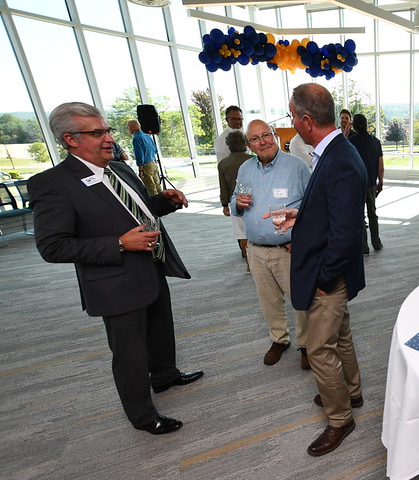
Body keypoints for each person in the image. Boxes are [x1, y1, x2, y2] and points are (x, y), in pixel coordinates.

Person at [28, 102, 203, 435]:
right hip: (114, 281)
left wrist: (165, 201)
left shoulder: (119, 169)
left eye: (107, 130)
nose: (109, 138)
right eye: (97, 133)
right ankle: (142, 415)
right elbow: (52, 247)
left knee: (160, 328)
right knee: (130, 352)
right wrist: (120, 244)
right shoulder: (52, 184)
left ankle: (165, 375)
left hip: (150, 266)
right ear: (70, 139)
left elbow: (139, 211)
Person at [268, 83, 367, 456]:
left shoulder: (339, 158)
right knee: (341, 337)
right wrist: (301, 214)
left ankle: (340, 418)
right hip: (334, 272)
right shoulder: (335, 150)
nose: (291, 122)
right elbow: (331, 210)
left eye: (292, 115)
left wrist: (324, 282)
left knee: (321, 349)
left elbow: (344, 235)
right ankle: (352, 393)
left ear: (306, 120)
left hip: (329, 275)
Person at [230, 120, 311, 369]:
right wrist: (237, 203)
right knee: (268, 300)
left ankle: (307, 344)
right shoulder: (245, 168)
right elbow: (234, 199)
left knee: (300, 301)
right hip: (256, 250)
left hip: (288, 249)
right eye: (255, 138)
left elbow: (313, 207)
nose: (262, 141)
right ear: (248, 144)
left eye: (266, 135)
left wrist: (302, 239)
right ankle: (279, 338)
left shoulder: (297, 166)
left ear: (275, 136)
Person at [349, 113, 384, 254]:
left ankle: (363, 246)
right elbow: (380, 167)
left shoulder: (350, 142)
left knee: (360, 216)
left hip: (356, 185)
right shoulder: (375, 141)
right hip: (371, 184)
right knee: (372, 213)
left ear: (354, 125)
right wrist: (380, 182)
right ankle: (376, 243)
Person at [217, 131, 253, 270]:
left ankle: (249, 265)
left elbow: (223, 187)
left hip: (235, 203)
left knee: (242, 234)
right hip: (253, 200)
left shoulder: (223, 164)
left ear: (228, 145)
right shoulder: (252, 160)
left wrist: (225, 204)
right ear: (245, 143)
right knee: (252, 233)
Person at [127, 119, 161, 195]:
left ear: (132, 127)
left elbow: (139, 155)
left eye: (128, 127)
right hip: (153, 164)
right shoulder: (147, 136)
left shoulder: (136, 139)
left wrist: (140, 170)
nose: (127, 129)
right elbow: (155, 150)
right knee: (158, 186)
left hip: (146, 166)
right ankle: (164, 204)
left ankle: (157, 206)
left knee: (151, 189)